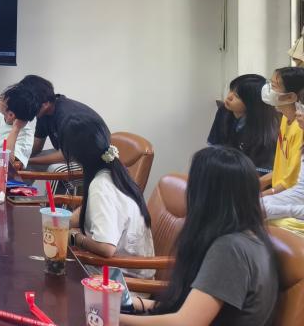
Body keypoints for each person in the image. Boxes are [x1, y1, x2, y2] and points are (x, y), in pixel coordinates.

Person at [120, 146, 278, 325]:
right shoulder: (249, 238)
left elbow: (186, 322)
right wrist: (131, 302)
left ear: (207, 195)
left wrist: (110, 317)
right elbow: (190, 308)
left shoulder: (231, 250)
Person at [62, 114, 154, 279]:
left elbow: (106, 248)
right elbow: (94, 209)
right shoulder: (115, 173)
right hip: (121, 272)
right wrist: (62, 223)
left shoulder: (101, 186)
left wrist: (74, 238)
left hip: (125, 283)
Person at [206, 74, 278, 173]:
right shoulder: (224, 111)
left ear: (252, 103)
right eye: (231, 90)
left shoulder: (266, 129)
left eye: (237, 96)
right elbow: (214, 145)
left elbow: (263, 169)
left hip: (250, 174)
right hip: (225, 168)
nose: (229, 97)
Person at [260, 66, 304, 196]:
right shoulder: (285, 117)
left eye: (274, 86)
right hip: (280, 193)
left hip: (290, 196)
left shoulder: (300, 127)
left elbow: (291, 183)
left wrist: (261, 197)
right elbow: (284, 169)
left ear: (290, 97)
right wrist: (260, 182)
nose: (268, 89)